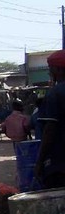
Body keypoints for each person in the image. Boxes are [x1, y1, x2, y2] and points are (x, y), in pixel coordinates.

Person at [36, 50, 65, 188]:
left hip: (59, 162)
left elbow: (50, 130)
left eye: (51, 69)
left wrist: (40, 161)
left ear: (59, 69)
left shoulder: (55, 93)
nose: (50, 73)